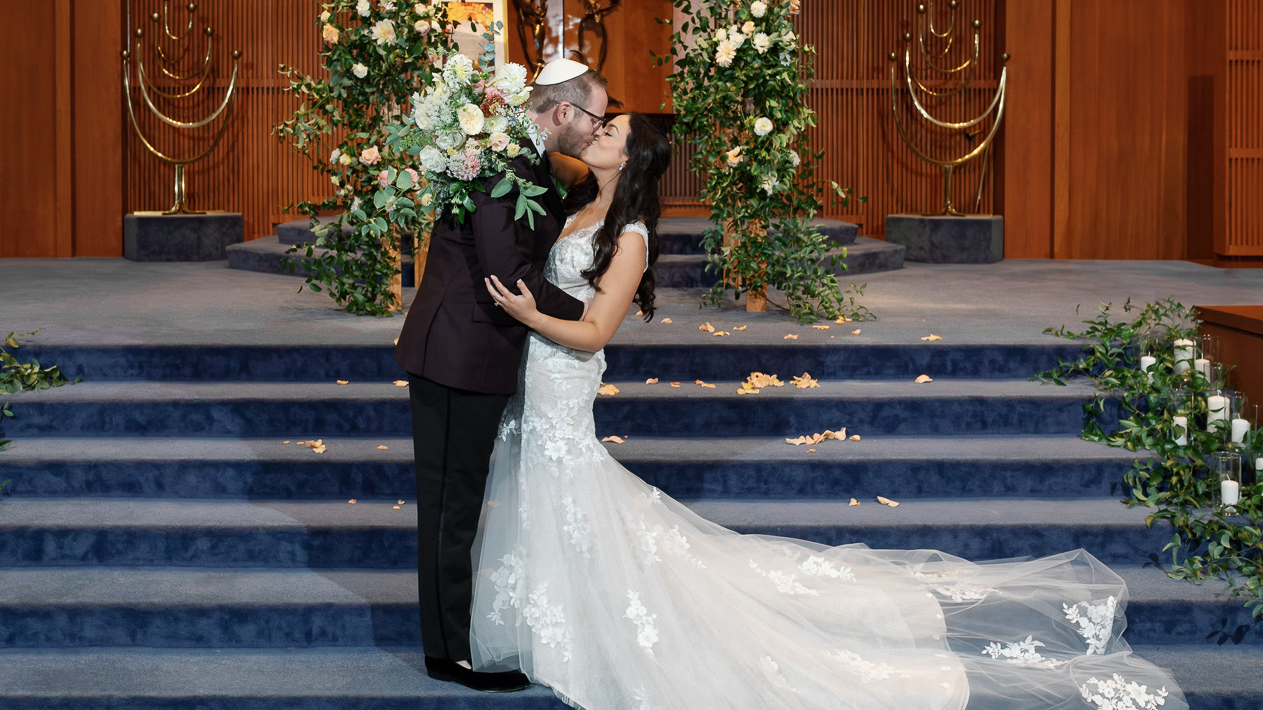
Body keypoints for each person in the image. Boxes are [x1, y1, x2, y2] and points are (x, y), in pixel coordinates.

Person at [477, 112, 1188, 710]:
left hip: (565, 369)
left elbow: (599, 330)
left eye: (610, 128)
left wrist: (528, 312)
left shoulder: (628, 234)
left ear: (631, 156)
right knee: (551, 490)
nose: (596, 131)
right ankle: (560, 617)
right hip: (537, 373)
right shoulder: (581, 203)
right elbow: (545, 149)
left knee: (573, 487)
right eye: (600, 123)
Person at [395, 57, 610, 693]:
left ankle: (451, 641)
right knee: (450, 510)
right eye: (594, 116)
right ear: (565, 112)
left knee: (457, 506)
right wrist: (591, 317)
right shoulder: (500, 164)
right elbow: (505, 275)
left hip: (478, 352)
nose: (596, 130)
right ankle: (448, 655)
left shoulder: (529, 162)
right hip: (457, 354)